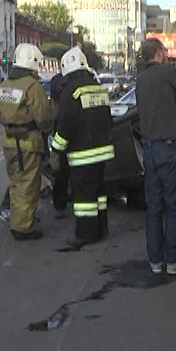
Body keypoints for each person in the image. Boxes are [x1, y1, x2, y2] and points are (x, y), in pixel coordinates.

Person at [136, 38, 176, 275]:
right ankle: (173, 261)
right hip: (170, 149)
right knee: (174, 206)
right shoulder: (168, 73)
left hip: (149, 150)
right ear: (160, 53)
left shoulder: (140, 80)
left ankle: (154, 261)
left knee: (154, 207)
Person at [52, 47, 115, 248]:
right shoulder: (98, 87)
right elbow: (108, 119)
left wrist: (57, 148)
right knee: (99, 193)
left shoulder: (70, 91)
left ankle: (86, 234)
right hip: (102, 151)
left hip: (82, 154)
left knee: (84, 198)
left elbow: (66, 123)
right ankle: (101, 228)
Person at [0, 44, 53, 241]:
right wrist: (47, 130)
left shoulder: (4, 85)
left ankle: (17, 220)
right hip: (28, 141)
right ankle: (23, 227)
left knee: (16, 182)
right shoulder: (32, 86)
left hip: (8, 141)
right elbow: (43, 116)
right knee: (28, 185)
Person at [49, 71, 70, 219]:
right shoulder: (80, 79)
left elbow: (54, 106)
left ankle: (59, 206)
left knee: (60, 171)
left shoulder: (56, 80)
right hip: (78, 132)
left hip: (61, 129)